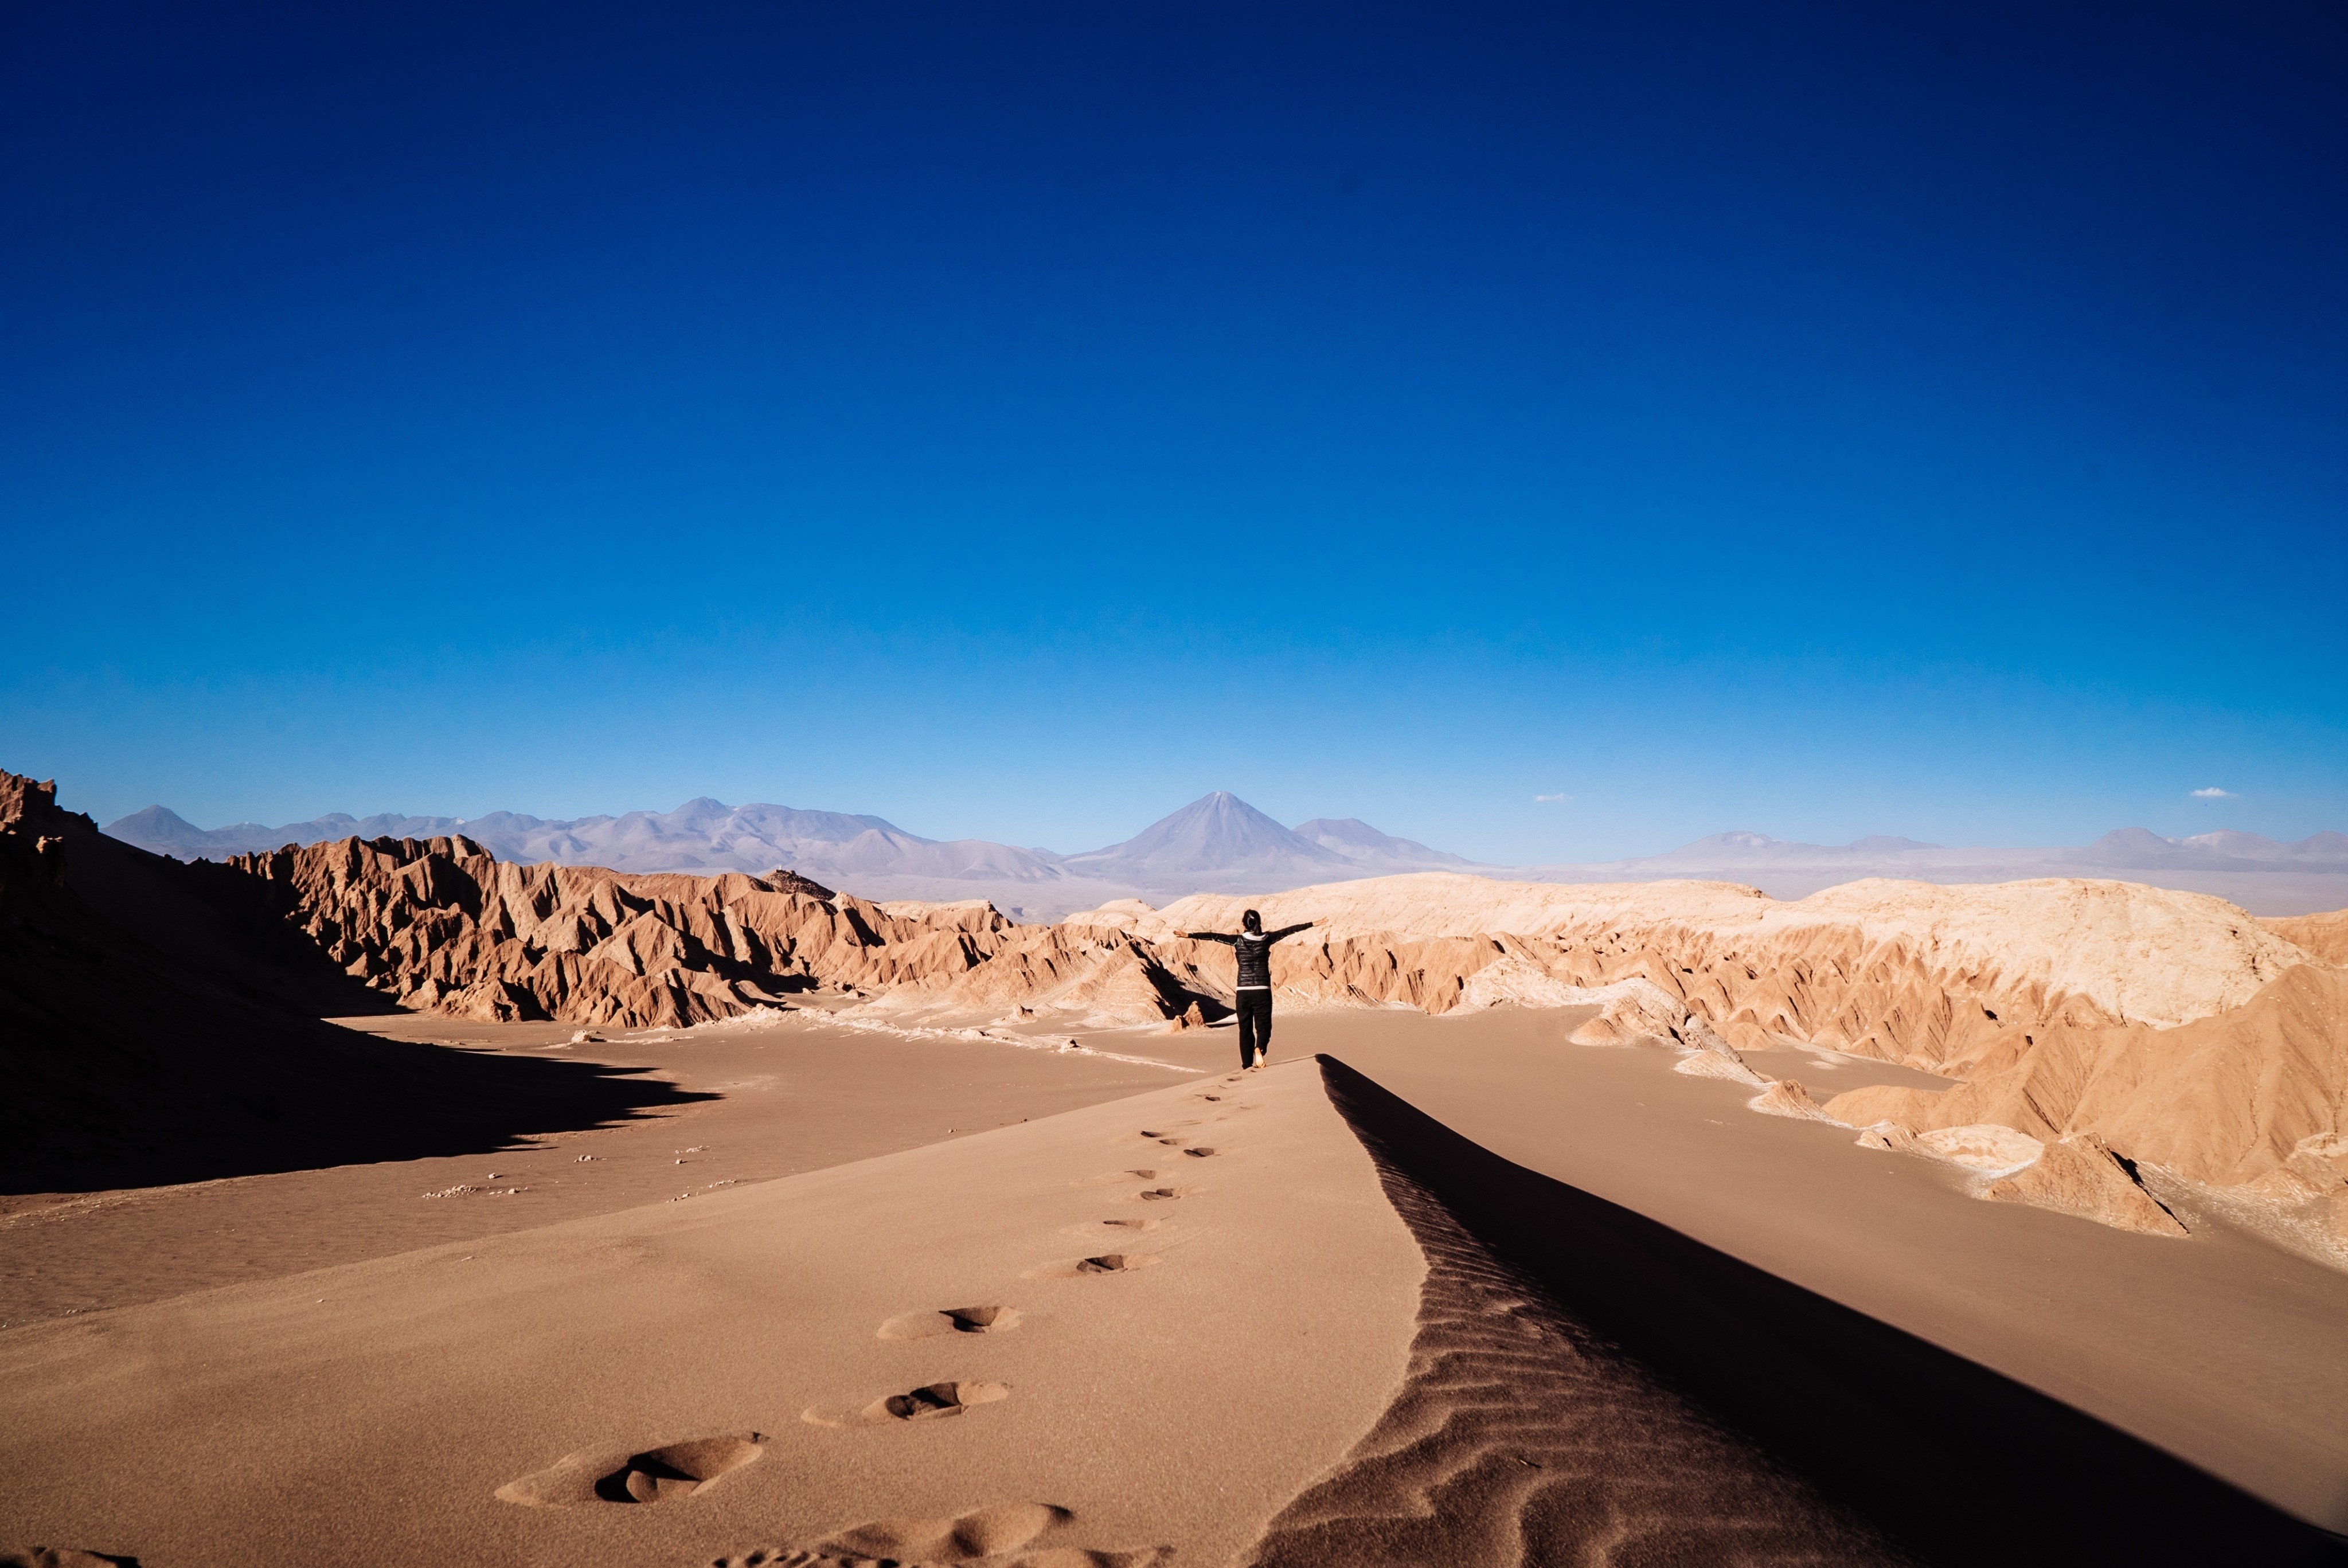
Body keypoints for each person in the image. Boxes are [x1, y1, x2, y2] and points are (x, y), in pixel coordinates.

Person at [1182, 909, 1318, 1070]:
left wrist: (1190, 935)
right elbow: (1289, 931)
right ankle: (1259, 1048)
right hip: (1262, 991)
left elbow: (1214, 936)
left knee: (1245, 1030)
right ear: (1259, 923)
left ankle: (1247, 1066)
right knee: (1264, 1027)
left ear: (1244, 924)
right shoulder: (1268, 939)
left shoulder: (1237, 940)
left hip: (1243, 992)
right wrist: (1312, 924)